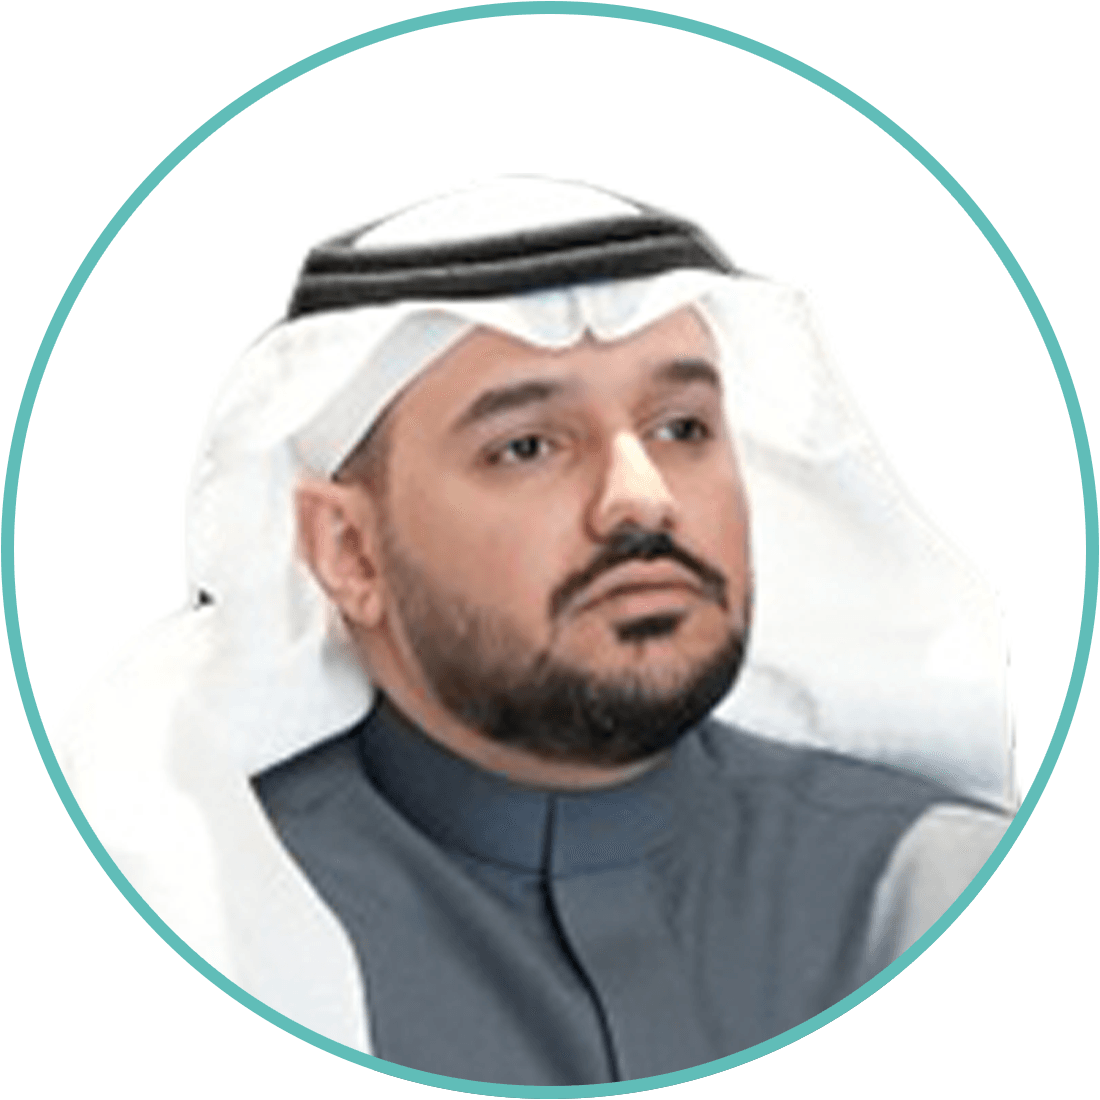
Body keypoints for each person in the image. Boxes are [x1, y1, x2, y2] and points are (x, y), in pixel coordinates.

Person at [62, 178, 1012, 1085]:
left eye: (682, 428)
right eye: (527, 446)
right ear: (349, 551)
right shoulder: (206, 936)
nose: (642, 499)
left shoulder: (939, 897)